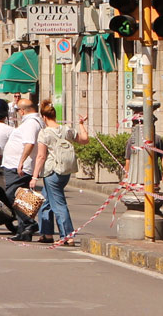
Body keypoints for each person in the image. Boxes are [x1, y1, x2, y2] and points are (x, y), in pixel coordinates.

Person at [29, 100, 91, 245]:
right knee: (45, 201)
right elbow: (84, 140)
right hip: (65, 172)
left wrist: (34, 176)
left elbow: (41, 156)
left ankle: (67, 236)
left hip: (52, 172)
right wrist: (81, 125)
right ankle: (47, 233)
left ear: (43, 117)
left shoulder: (44, 133)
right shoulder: (66, 130)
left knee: (58, 205)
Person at [0, 98, 44, 241]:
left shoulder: (31, 123)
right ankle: (23, 231)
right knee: (21, 198)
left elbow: (29, 143)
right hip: (15, 165)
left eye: (18, 110)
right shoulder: (29, 122)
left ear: (23, 110)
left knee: (12, 194)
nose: (17, 112)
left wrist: (21, 162)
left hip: (18, 167)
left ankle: (29, 223)